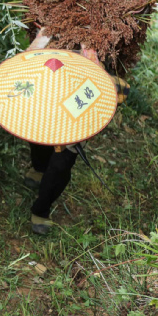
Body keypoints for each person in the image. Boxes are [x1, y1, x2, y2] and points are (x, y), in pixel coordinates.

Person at [22, 34, 129, 236]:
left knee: (61, 163)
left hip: (80, 101)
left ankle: (41, 210)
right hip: (46, 92)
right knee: (37, 136)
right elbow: (29, 58)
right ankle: (38, 168)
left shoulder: (96, 40)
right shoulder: (50, 31)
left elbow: (114, 87)